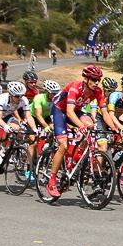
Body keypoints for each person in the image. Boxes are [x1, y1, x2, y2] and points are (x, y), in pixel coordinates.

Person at [46, 65, 105, 197]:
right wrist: (80, 126)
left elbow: (105, 113)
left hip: (76, 110)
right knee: (64, 145)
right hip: (60, 110)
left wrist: (115, 128)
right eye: (94, 79)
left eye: (98, 80)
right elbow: (69, 112)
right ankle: (52, 180)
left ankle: (76, 156)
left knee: (91, 125)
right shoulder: (75, 87)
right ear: (85, 79)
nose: (96, 83)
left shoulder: (98, 92)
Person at [0, 82, 36, 183]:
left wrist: (34, 129)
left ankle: (4, 149)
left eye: (22, 95)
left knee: (17, 127)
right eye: (17, 96)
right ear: (10, 94)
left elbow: (29, 116)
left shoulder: (24, 100)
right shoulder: (2, 99)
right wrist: (5, 126)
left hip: (8, 115)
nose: (20, 98)